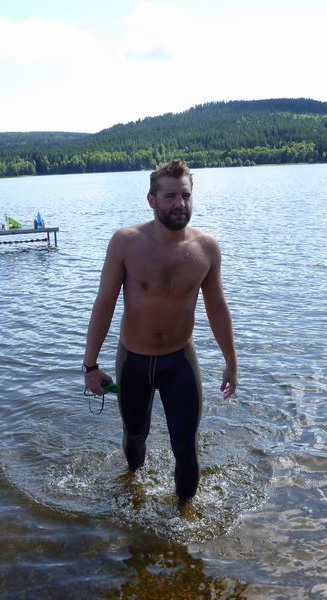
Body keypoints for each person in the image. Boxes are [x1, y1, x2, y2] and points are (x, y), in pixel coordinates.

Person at [82, 159, 237, 504]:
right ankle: (133, 485)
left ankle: (185, 515)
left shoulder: (206, 248)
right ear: (151, 200)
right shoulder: (126, 243)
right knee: (135, 437)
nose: (179, 203)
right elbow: (104, 302)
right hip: (133, 360)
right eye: (170, 196)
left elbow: (217, 308)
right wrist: (90, 365)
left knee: (186, 446)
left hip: (179, 361)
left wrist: (231, 362)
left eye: (185, 195)